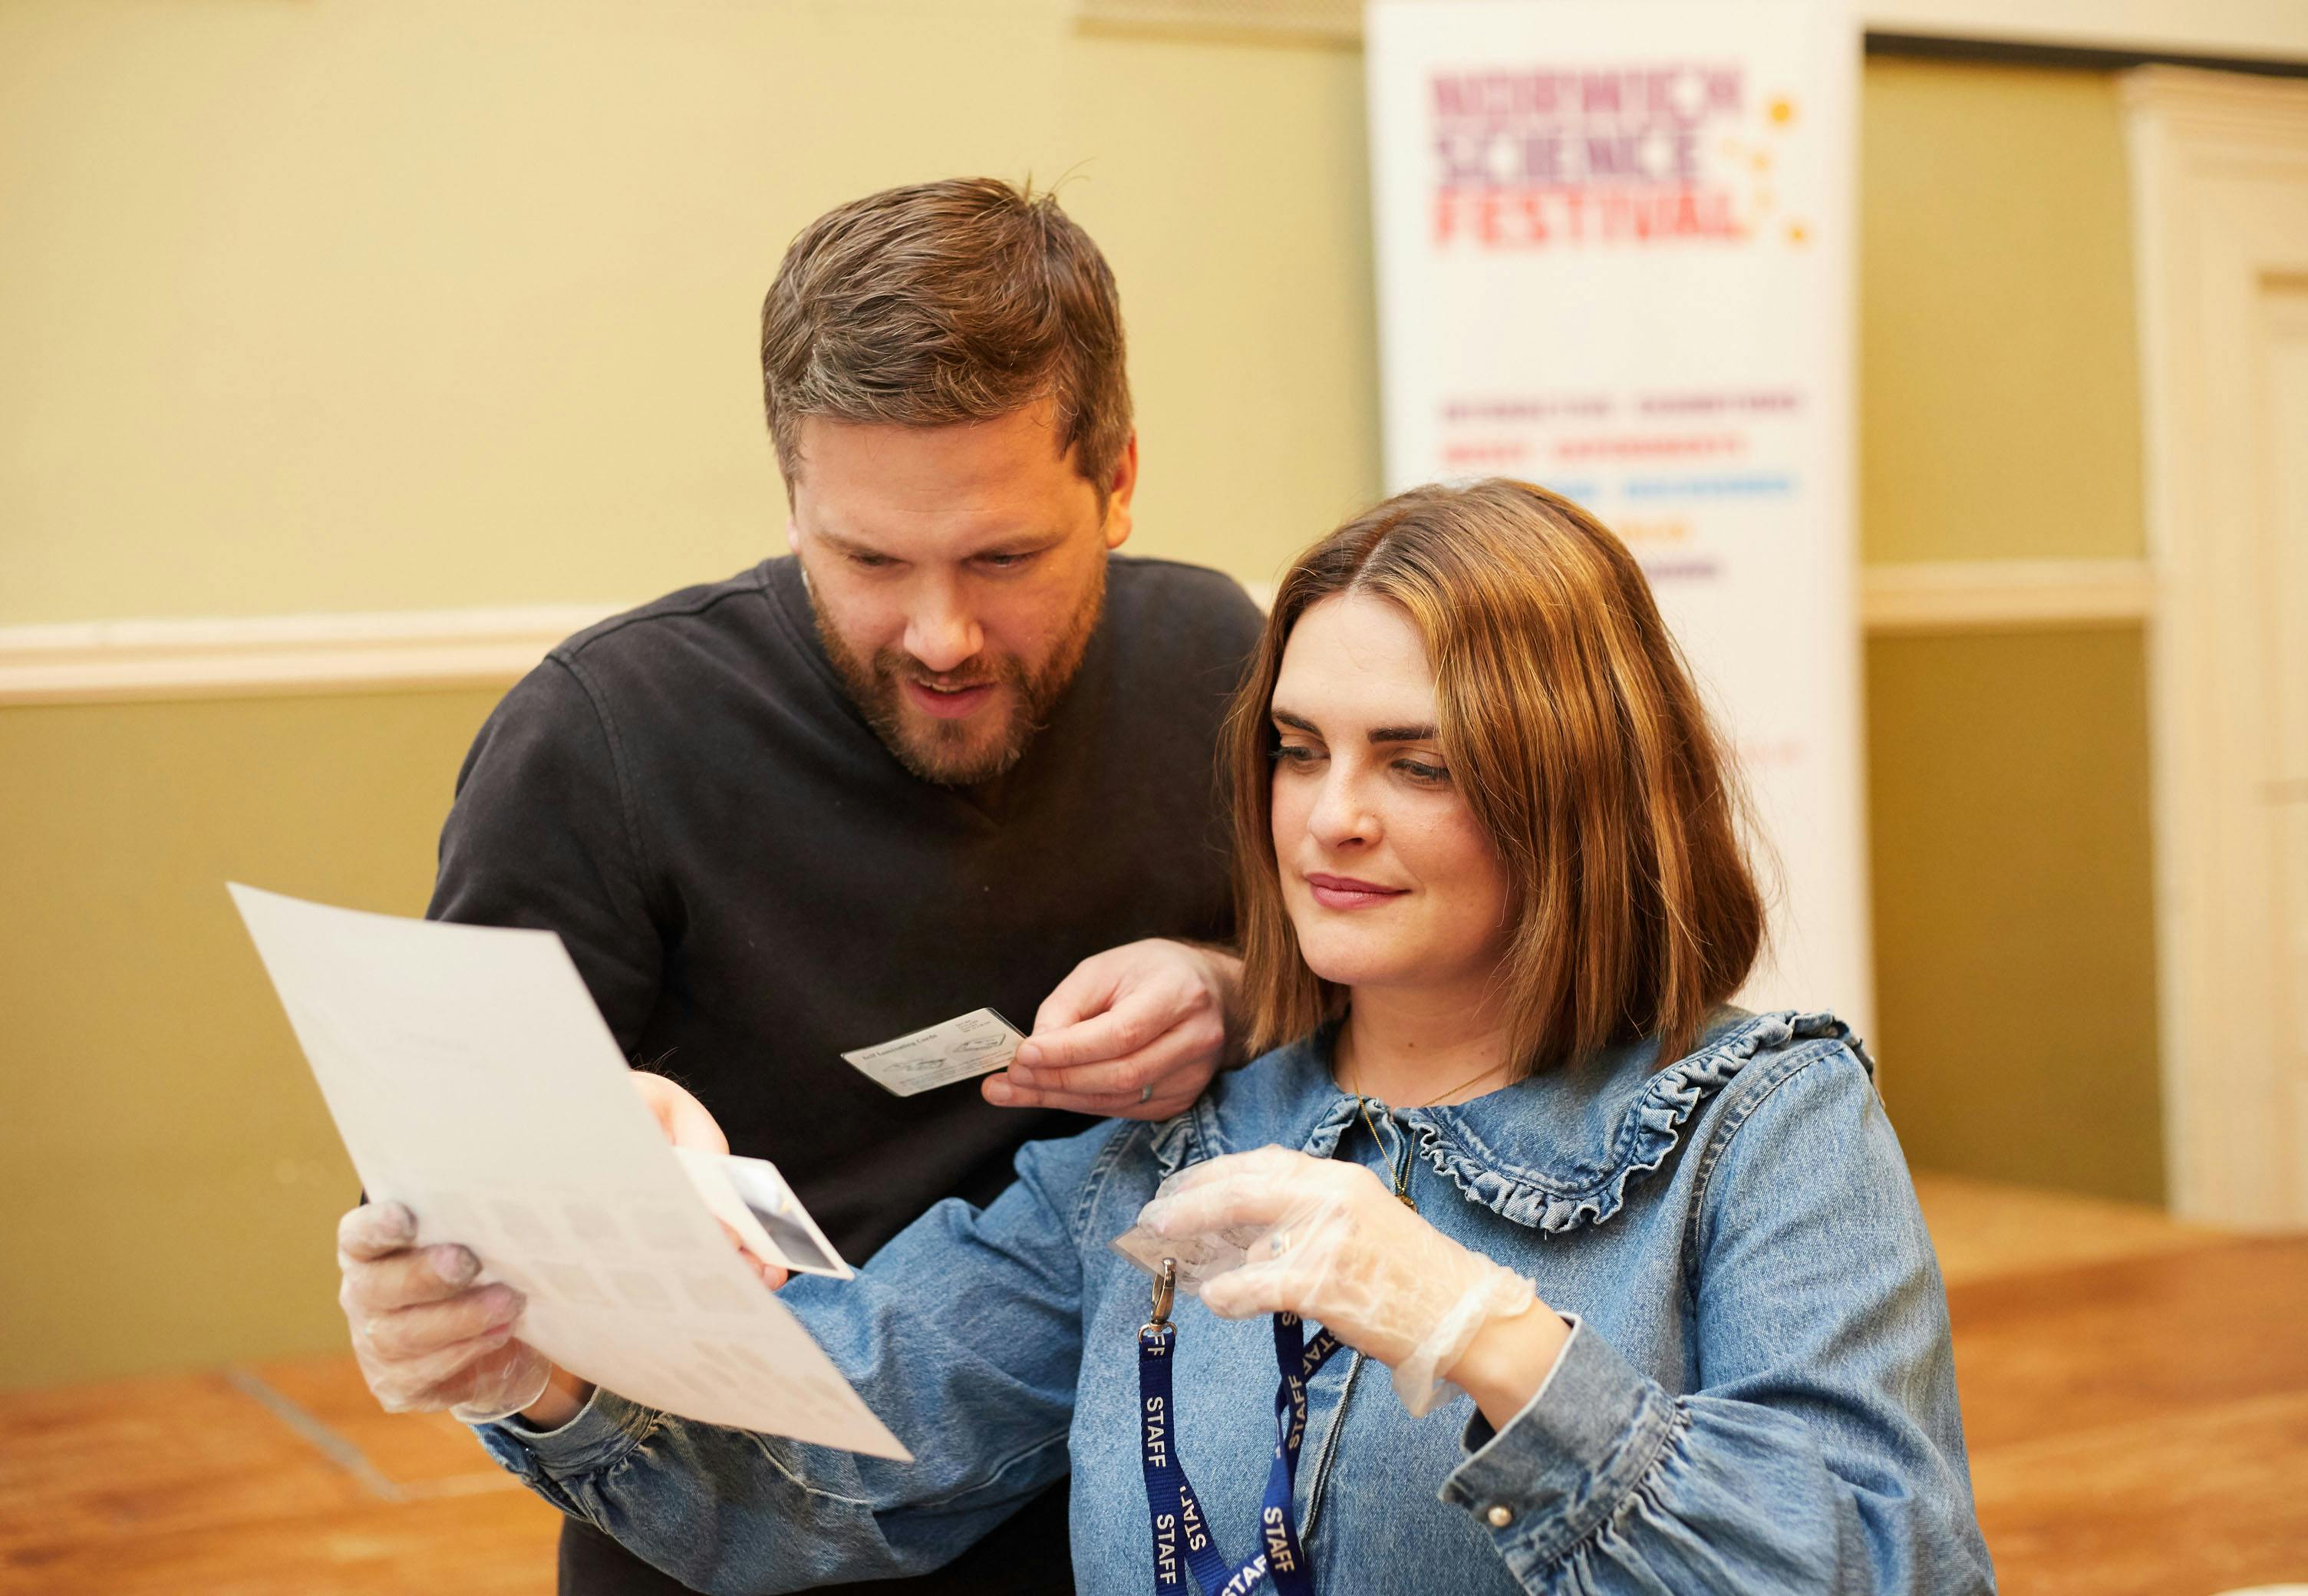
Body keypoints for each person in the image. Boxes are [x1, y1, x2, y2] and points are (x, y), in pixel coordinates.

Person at [457, 479, 1997, 1593]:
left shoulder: (1759, 1118)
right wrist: (537, 1342)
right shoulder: (1157, 1155)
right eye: (1299, 747)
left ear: (1573, 790)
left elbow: (1882, 1563)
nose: (1331, 817)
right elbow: (812, 1469)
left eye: (1421, 763)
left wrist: (1480, 1329)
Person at [330, 178, 1268, 1596]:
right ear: (793, 499)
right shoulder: (608, 734)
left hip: (1129, 1497)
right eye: (869, 559)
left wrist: (1225, 986)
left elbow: (1359, 1034)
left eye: (1005, 558)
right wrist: (569, 1166)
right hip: (734, 1508)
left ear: (1120, 480)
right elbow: (460, 1198)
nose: (941, 632)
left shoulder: (1219, 658)